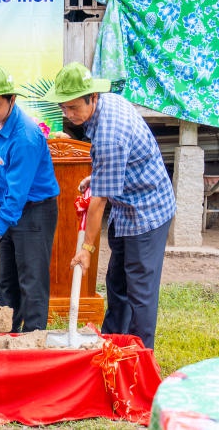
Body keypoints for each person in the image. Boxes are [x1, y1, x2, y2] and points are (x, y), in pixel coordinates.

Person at [42, 62, 176, 348]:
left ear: (92, 97)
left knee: (139, 289)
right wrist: (97, 176)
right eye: (64, 108)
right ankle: (113, 343)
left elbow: (99, 201)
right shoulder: (107, 104)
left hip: (147, 211)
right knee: (117, 282)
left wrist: (87, 250)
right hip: (126, 206)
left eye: (74, 108)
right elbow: (119, 162)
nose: (68, 114)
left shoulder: (110, 133)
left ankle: (140, 356)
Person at [0, 66, 60, 333]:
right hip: (10, 207)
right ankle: (5, 333)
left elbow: (18, 196)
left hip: (34, 210)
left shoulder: (25, 137)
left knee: (31, 278)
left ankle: (33, 339)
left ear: (12, 100)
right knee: (7, 279)